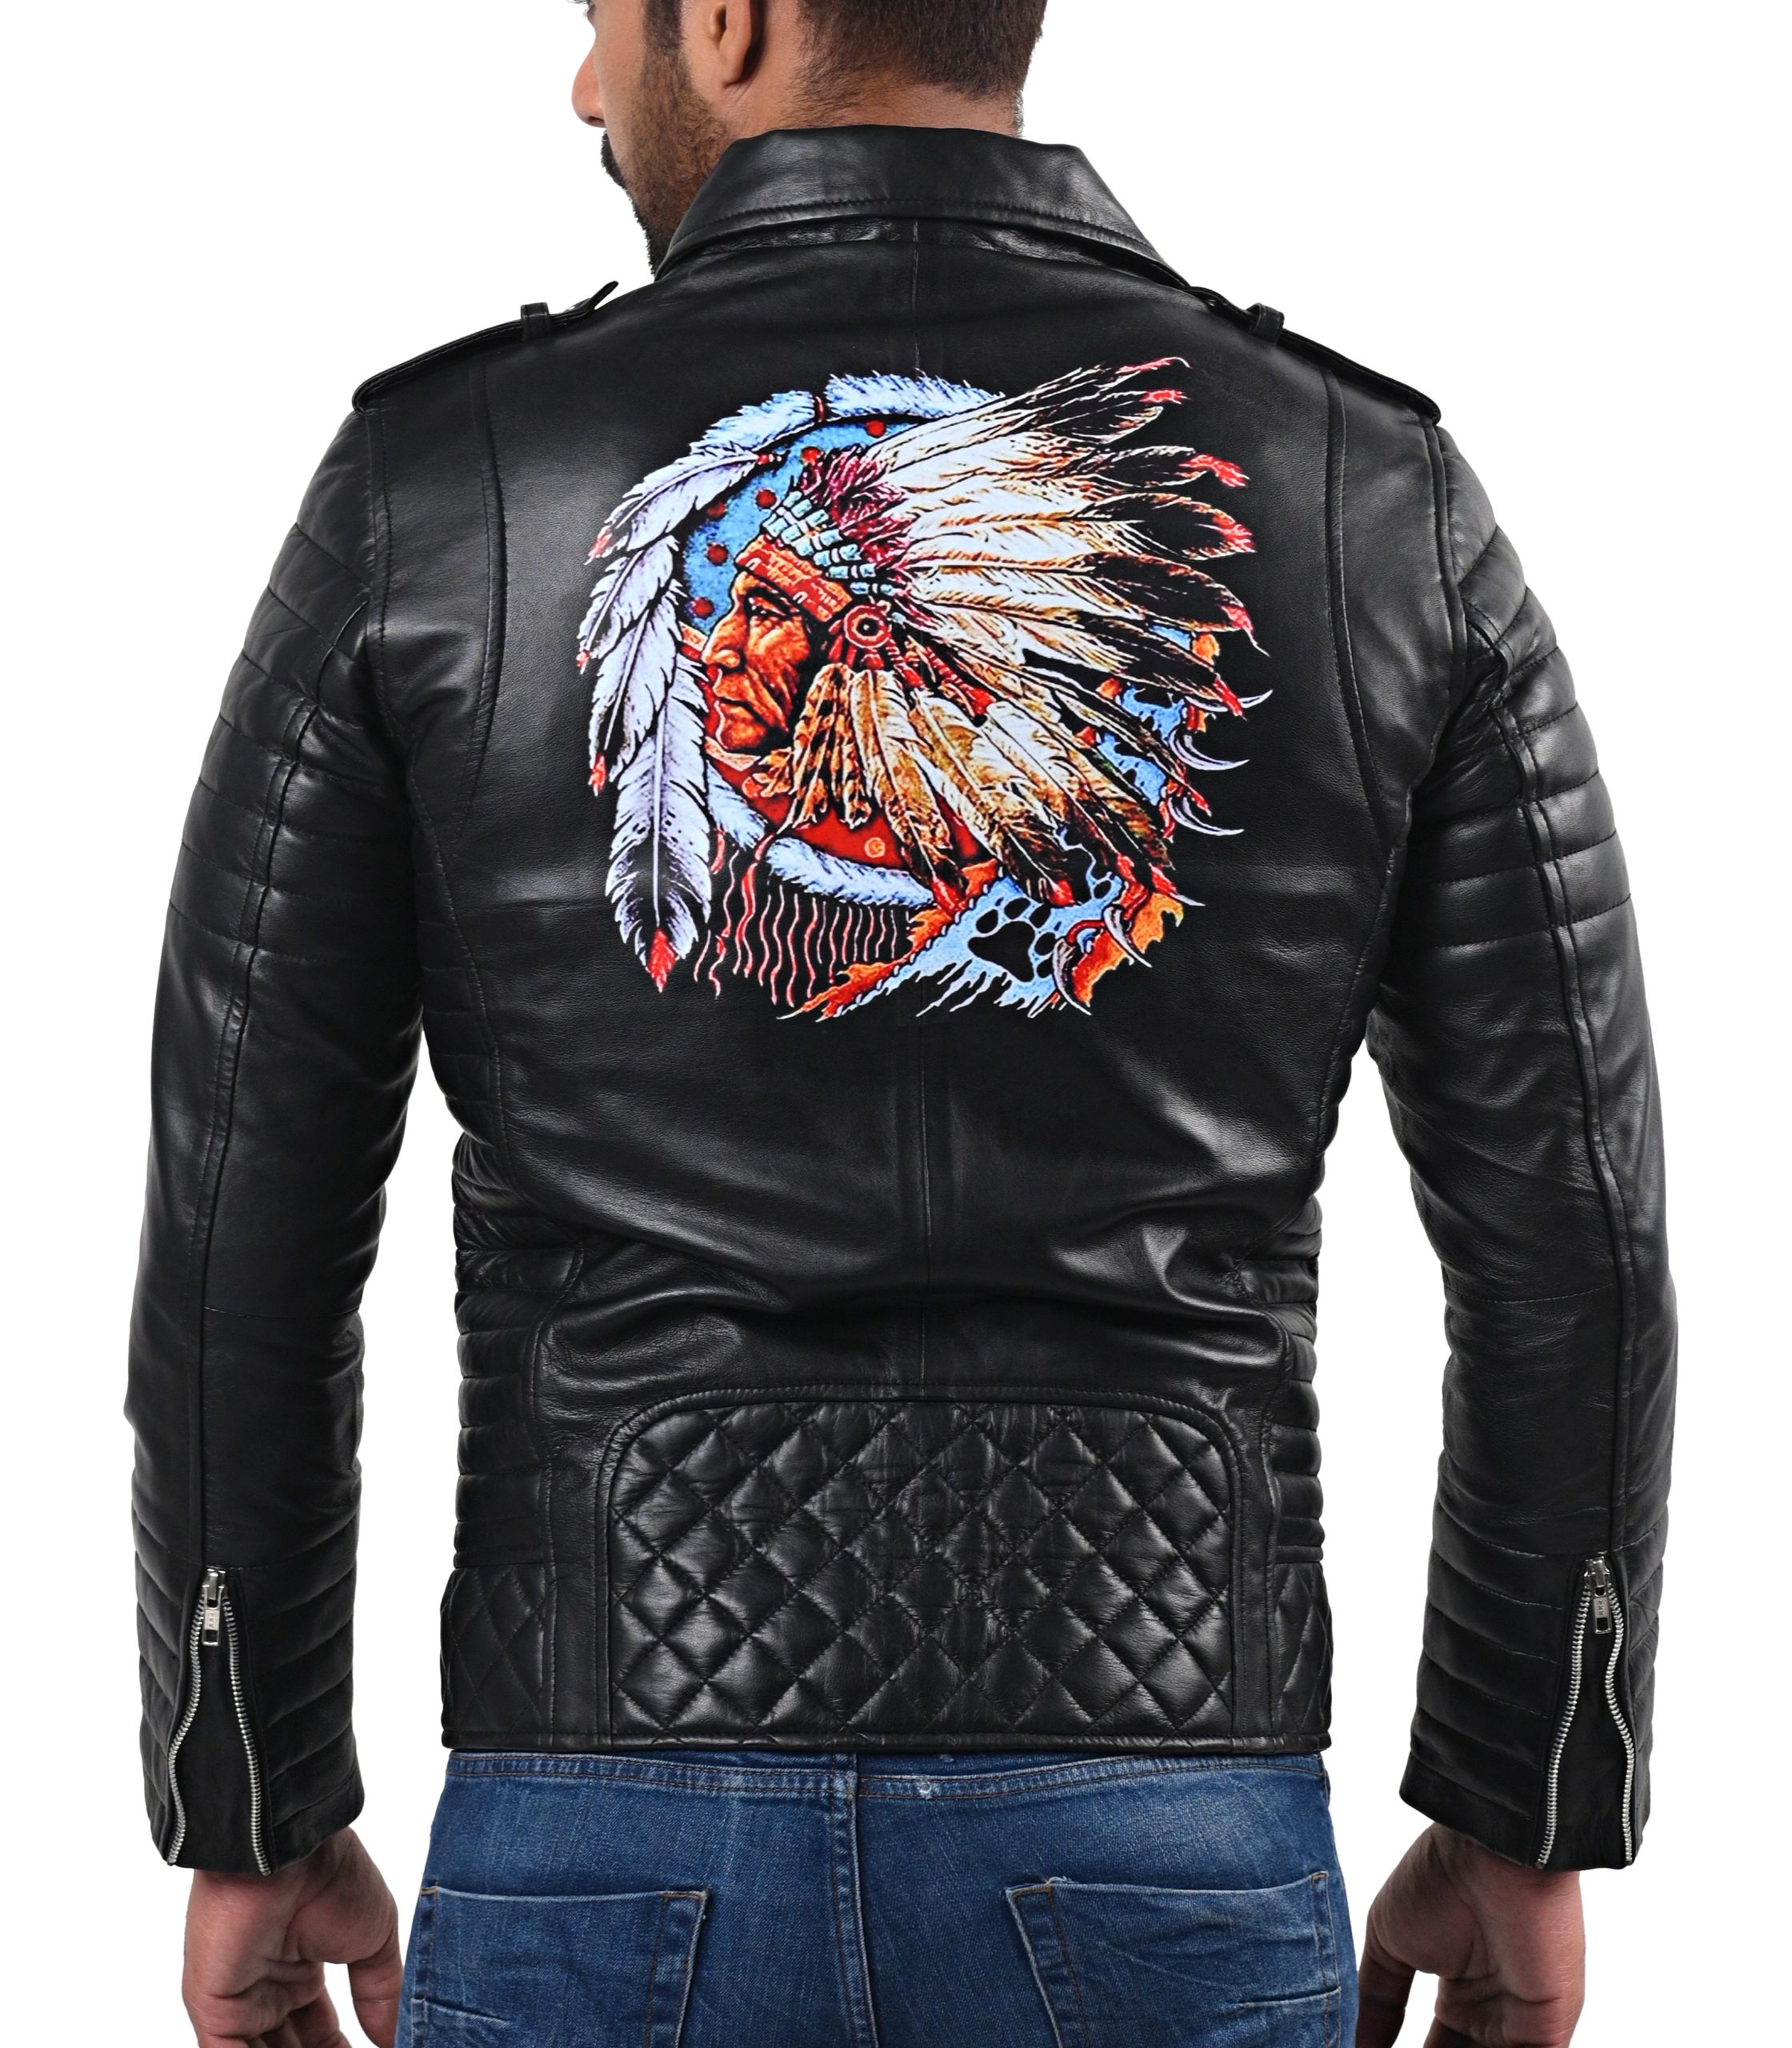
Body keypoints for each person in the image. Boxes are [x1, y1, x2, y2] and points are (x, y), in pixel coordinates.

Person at [128, 2, 1674, 2043]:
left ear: (731, 19)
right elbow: (1572, 1230)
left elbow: (240, 1212)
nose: (584, 85)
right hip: (1167, 1815)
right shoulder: (1364, 491)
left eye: (596, 16)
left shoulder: (447, 480)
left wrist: (250, 1798)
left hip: (603, 1813)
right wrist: (1520, 1799)